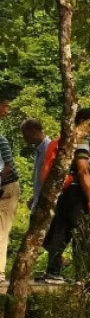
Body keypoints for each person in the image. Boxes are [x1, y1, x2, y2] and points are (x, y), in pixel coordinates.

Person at [41, 108, 90, 284]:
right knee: (80, 232)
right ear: (84, 121)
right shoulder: (82, 140)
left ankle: (53, 271)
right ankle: (81, 274)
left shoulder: (66, 138)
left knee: (61, 230)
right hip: (76, 191)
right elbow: (82, 170)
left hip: (63, 189)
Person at [0, 97, 20, 282]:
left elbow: (8, 169)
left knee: (1, 228)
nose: (7, 112)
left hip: (6, 186)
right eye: (5, 107)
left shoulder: (1, 138)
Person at [21, 119, 51, 210]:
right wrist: (34, 198)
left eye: (25, 135)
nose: (24, 138)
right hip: (38, 204)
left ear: (33, 132)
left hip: (45, 206)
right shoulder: (38, 150)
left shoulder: (49, 149)